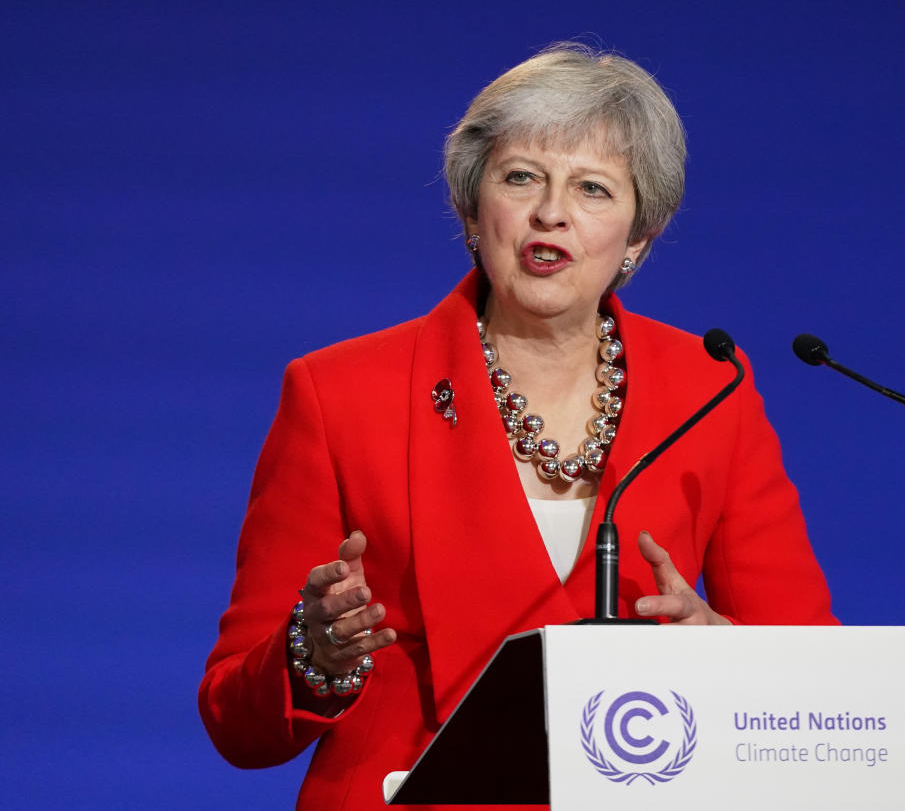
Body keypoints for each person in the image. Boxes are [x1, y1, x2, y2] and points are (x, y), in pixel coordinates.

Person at [199, 42, 837, 810]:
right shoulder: (340, 394)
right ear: (473, 209)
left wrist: (720, 653)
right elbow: (234, 719)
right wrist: (317, 655)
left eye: (594, 188)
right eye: (521, 177)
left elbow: (809, 675)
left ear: (638, 238)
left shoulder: (708, 391)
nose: (551, 212)